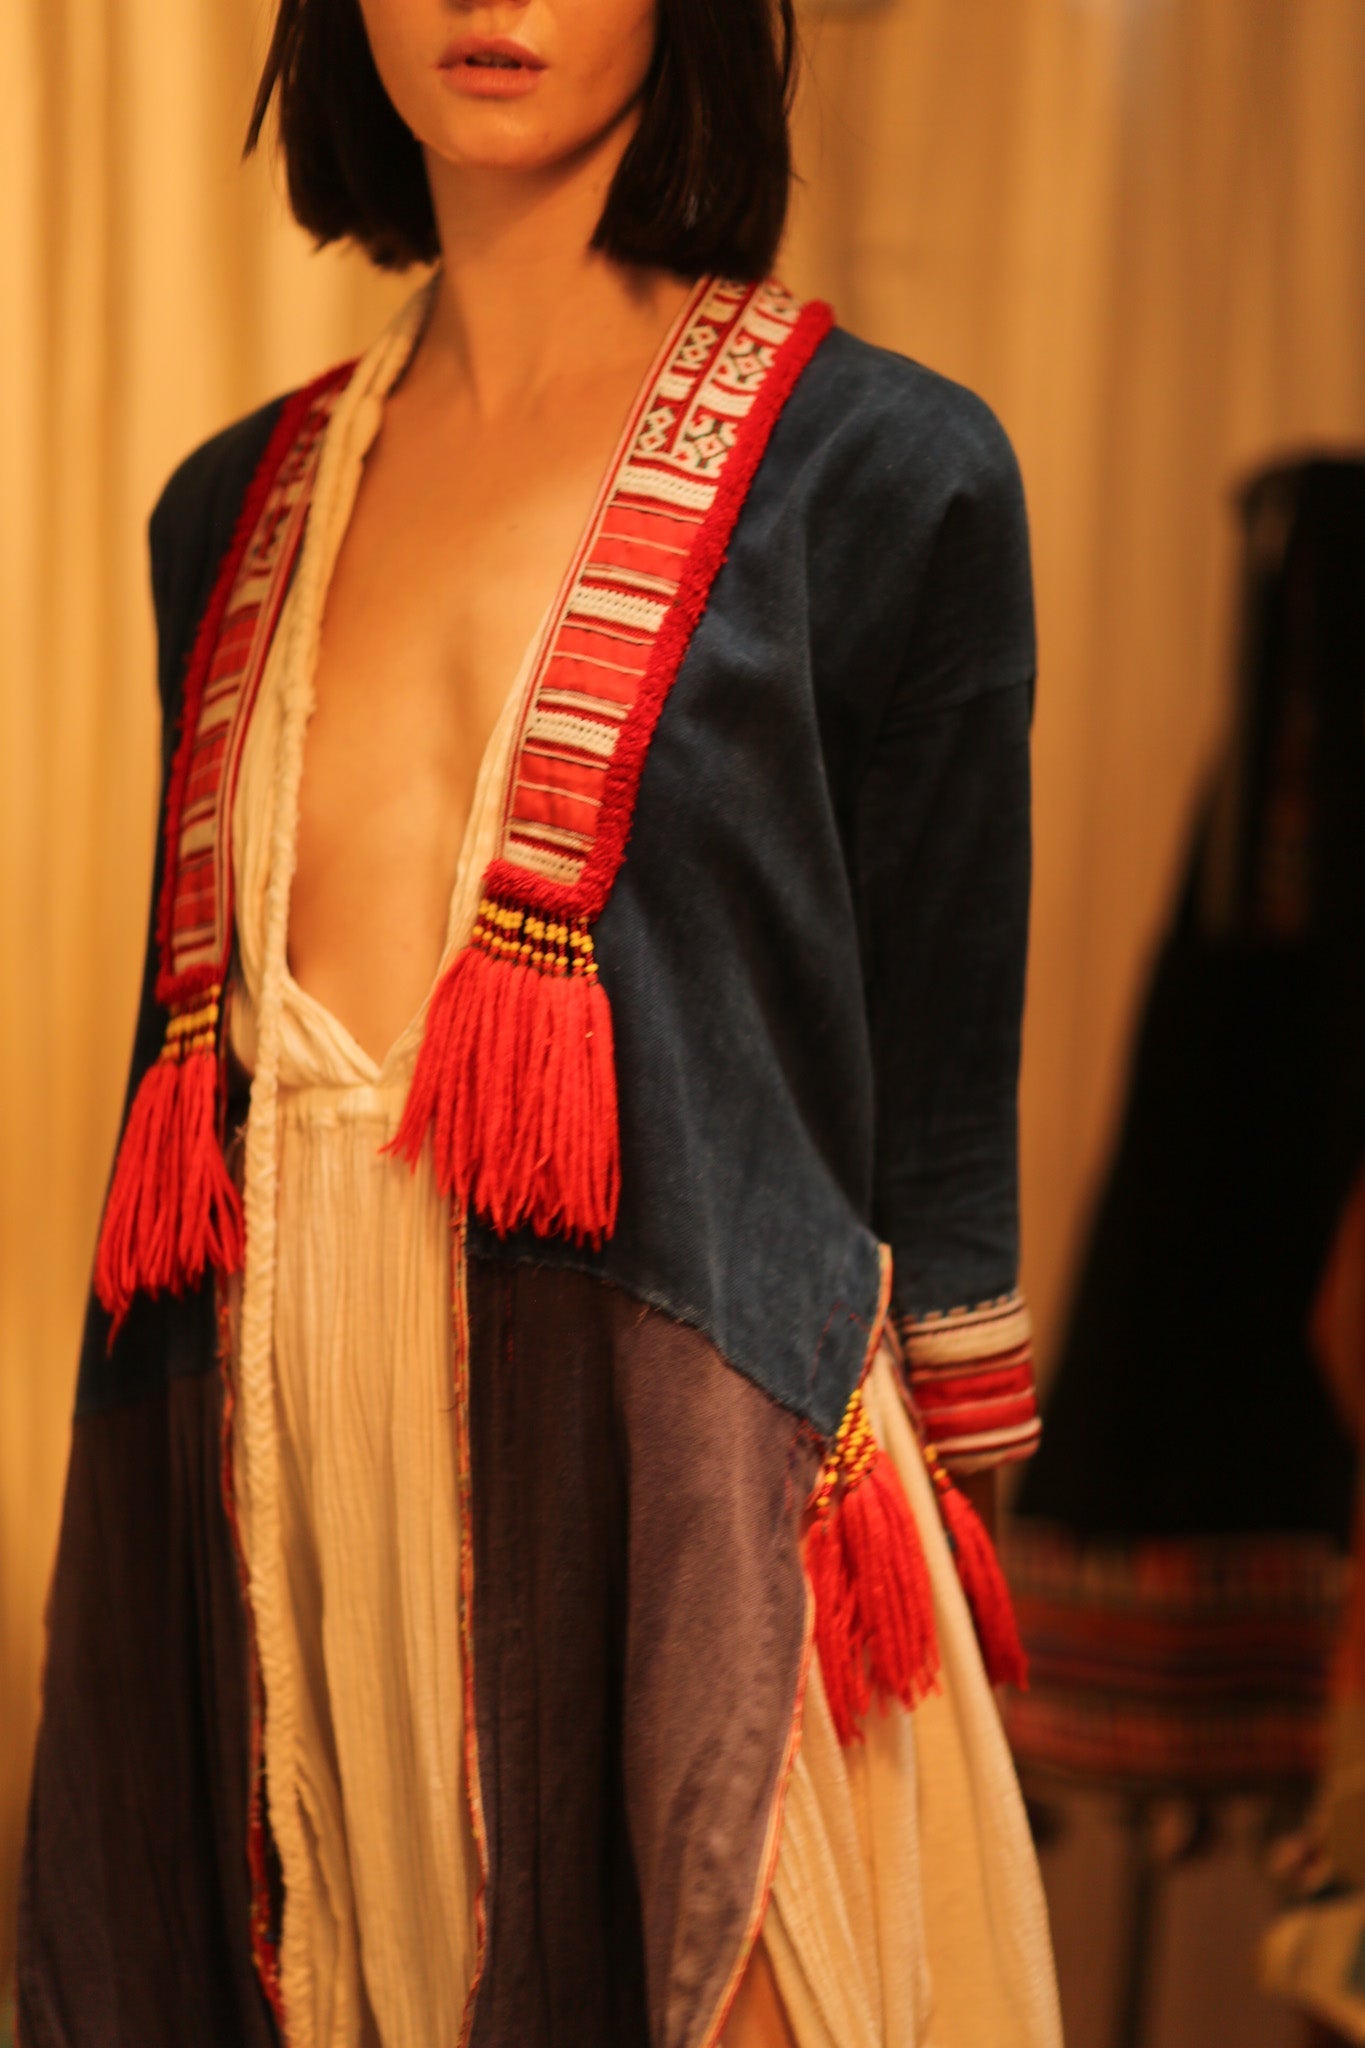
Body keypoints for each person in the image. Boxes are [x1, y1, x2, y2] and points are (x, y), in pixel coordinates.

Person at [18, 3, 1063, 2044]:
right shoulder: (221, 516)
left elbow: (940, 1163)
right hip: (301, 1567)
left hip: (695, 1545)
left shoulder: (887, 478)